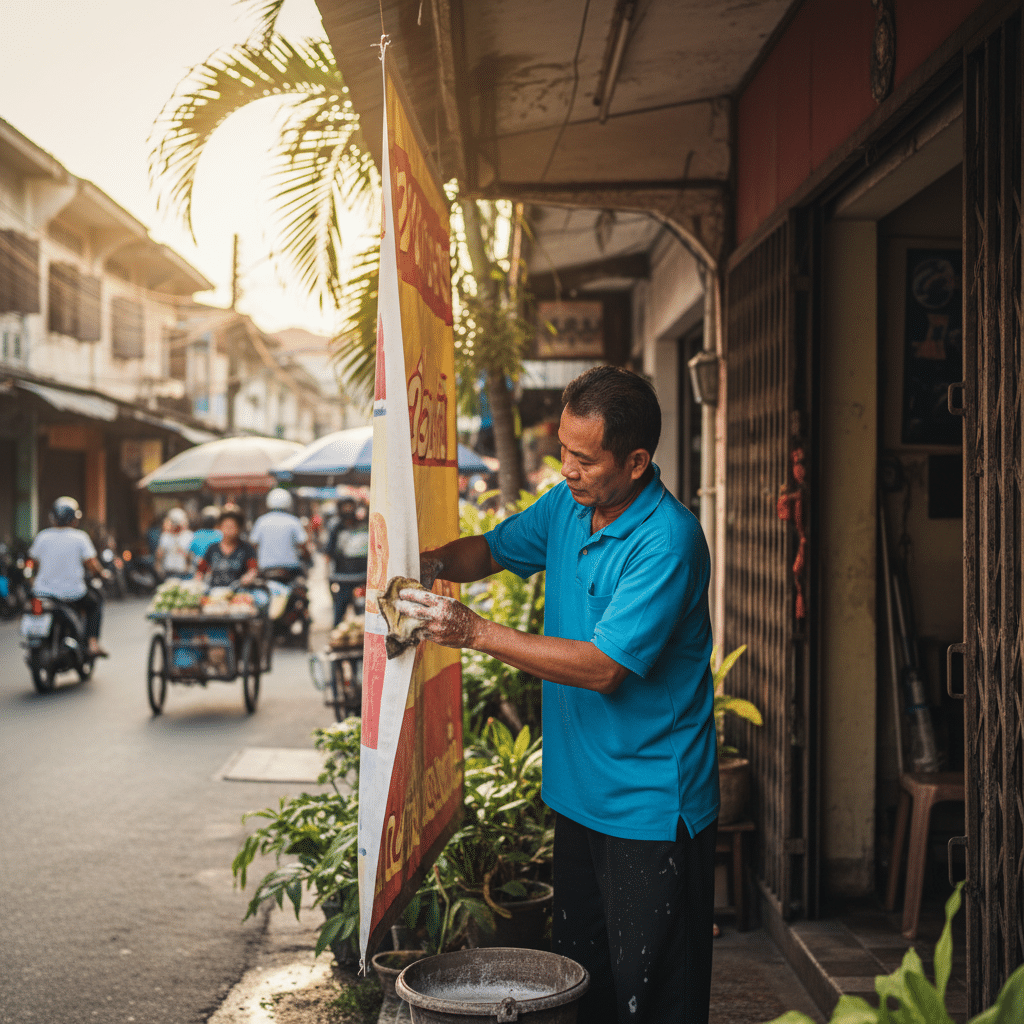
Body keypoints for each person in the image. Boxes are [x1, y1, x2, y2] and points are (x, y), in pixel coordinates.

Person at [397, 367, 718, 1024]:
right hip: (578, 796)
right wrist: (422, 566)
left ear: (636, 462)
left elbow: (604, 668)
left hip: (650, 809)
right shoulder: (568, 506)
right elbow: (489, 552)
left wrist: (474, 632)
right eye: (564, 451)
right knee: (584, 988)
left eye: (584, 458)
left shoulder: (668, 541)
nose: (567, 469)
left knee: (654, 1000)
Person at [29, 496, 108, 658]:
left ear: (53, 518)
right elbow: (92, 564)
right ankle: (92, 643)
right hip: (73, 594)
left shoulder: (42, 536)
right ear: (74, 519)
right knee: (95, 603)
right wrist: (103, 573)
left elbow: (33, 562)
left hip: (42, 593)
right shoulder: (80, 537)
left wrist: (32, 578)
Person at [249, 488, 310, 581]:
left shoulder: (261, 521)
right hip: (291, 569)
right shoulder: (293, 521)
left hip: (265, 569)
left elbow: (253, 544)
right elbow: (303, 544)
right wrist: (307, 556)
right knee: (302, 585)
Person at [324, 498, 368, 625]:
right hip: (343, 578)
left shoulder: (364, 526)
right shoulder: (336, 529)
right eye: (345, 507)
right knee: (339, 611)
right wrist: (329, 576)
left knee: (364, 614)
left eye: (350, 506)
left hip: (363, 577)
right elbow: (328, 554)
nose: (348, 510)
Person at [192, 507, 258, 588]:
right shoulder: (213, 548)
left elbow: (253, 569)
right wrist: (196, 583)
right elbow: (200, 571)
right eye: (226, 527)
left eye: (232, 527)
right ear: (220, 527)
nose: (228, 531)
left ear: (239, 528)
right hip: (215, 592)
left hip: (239, 591)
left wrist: (249, 577)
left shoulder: (247, 548)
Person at [155, 508, 193, 579]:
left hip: (184, 573)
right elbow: (160, 553)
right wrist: (158, 567)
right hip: (169, 572)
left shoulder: (189, 535)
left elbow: (191, 555)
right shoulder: (165, 536)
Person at [188, 506, 222, 572]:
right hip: (214, 568)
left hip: (198, 568)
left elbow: (190, 553)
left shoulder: (196, 534)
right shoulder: (219, 534)